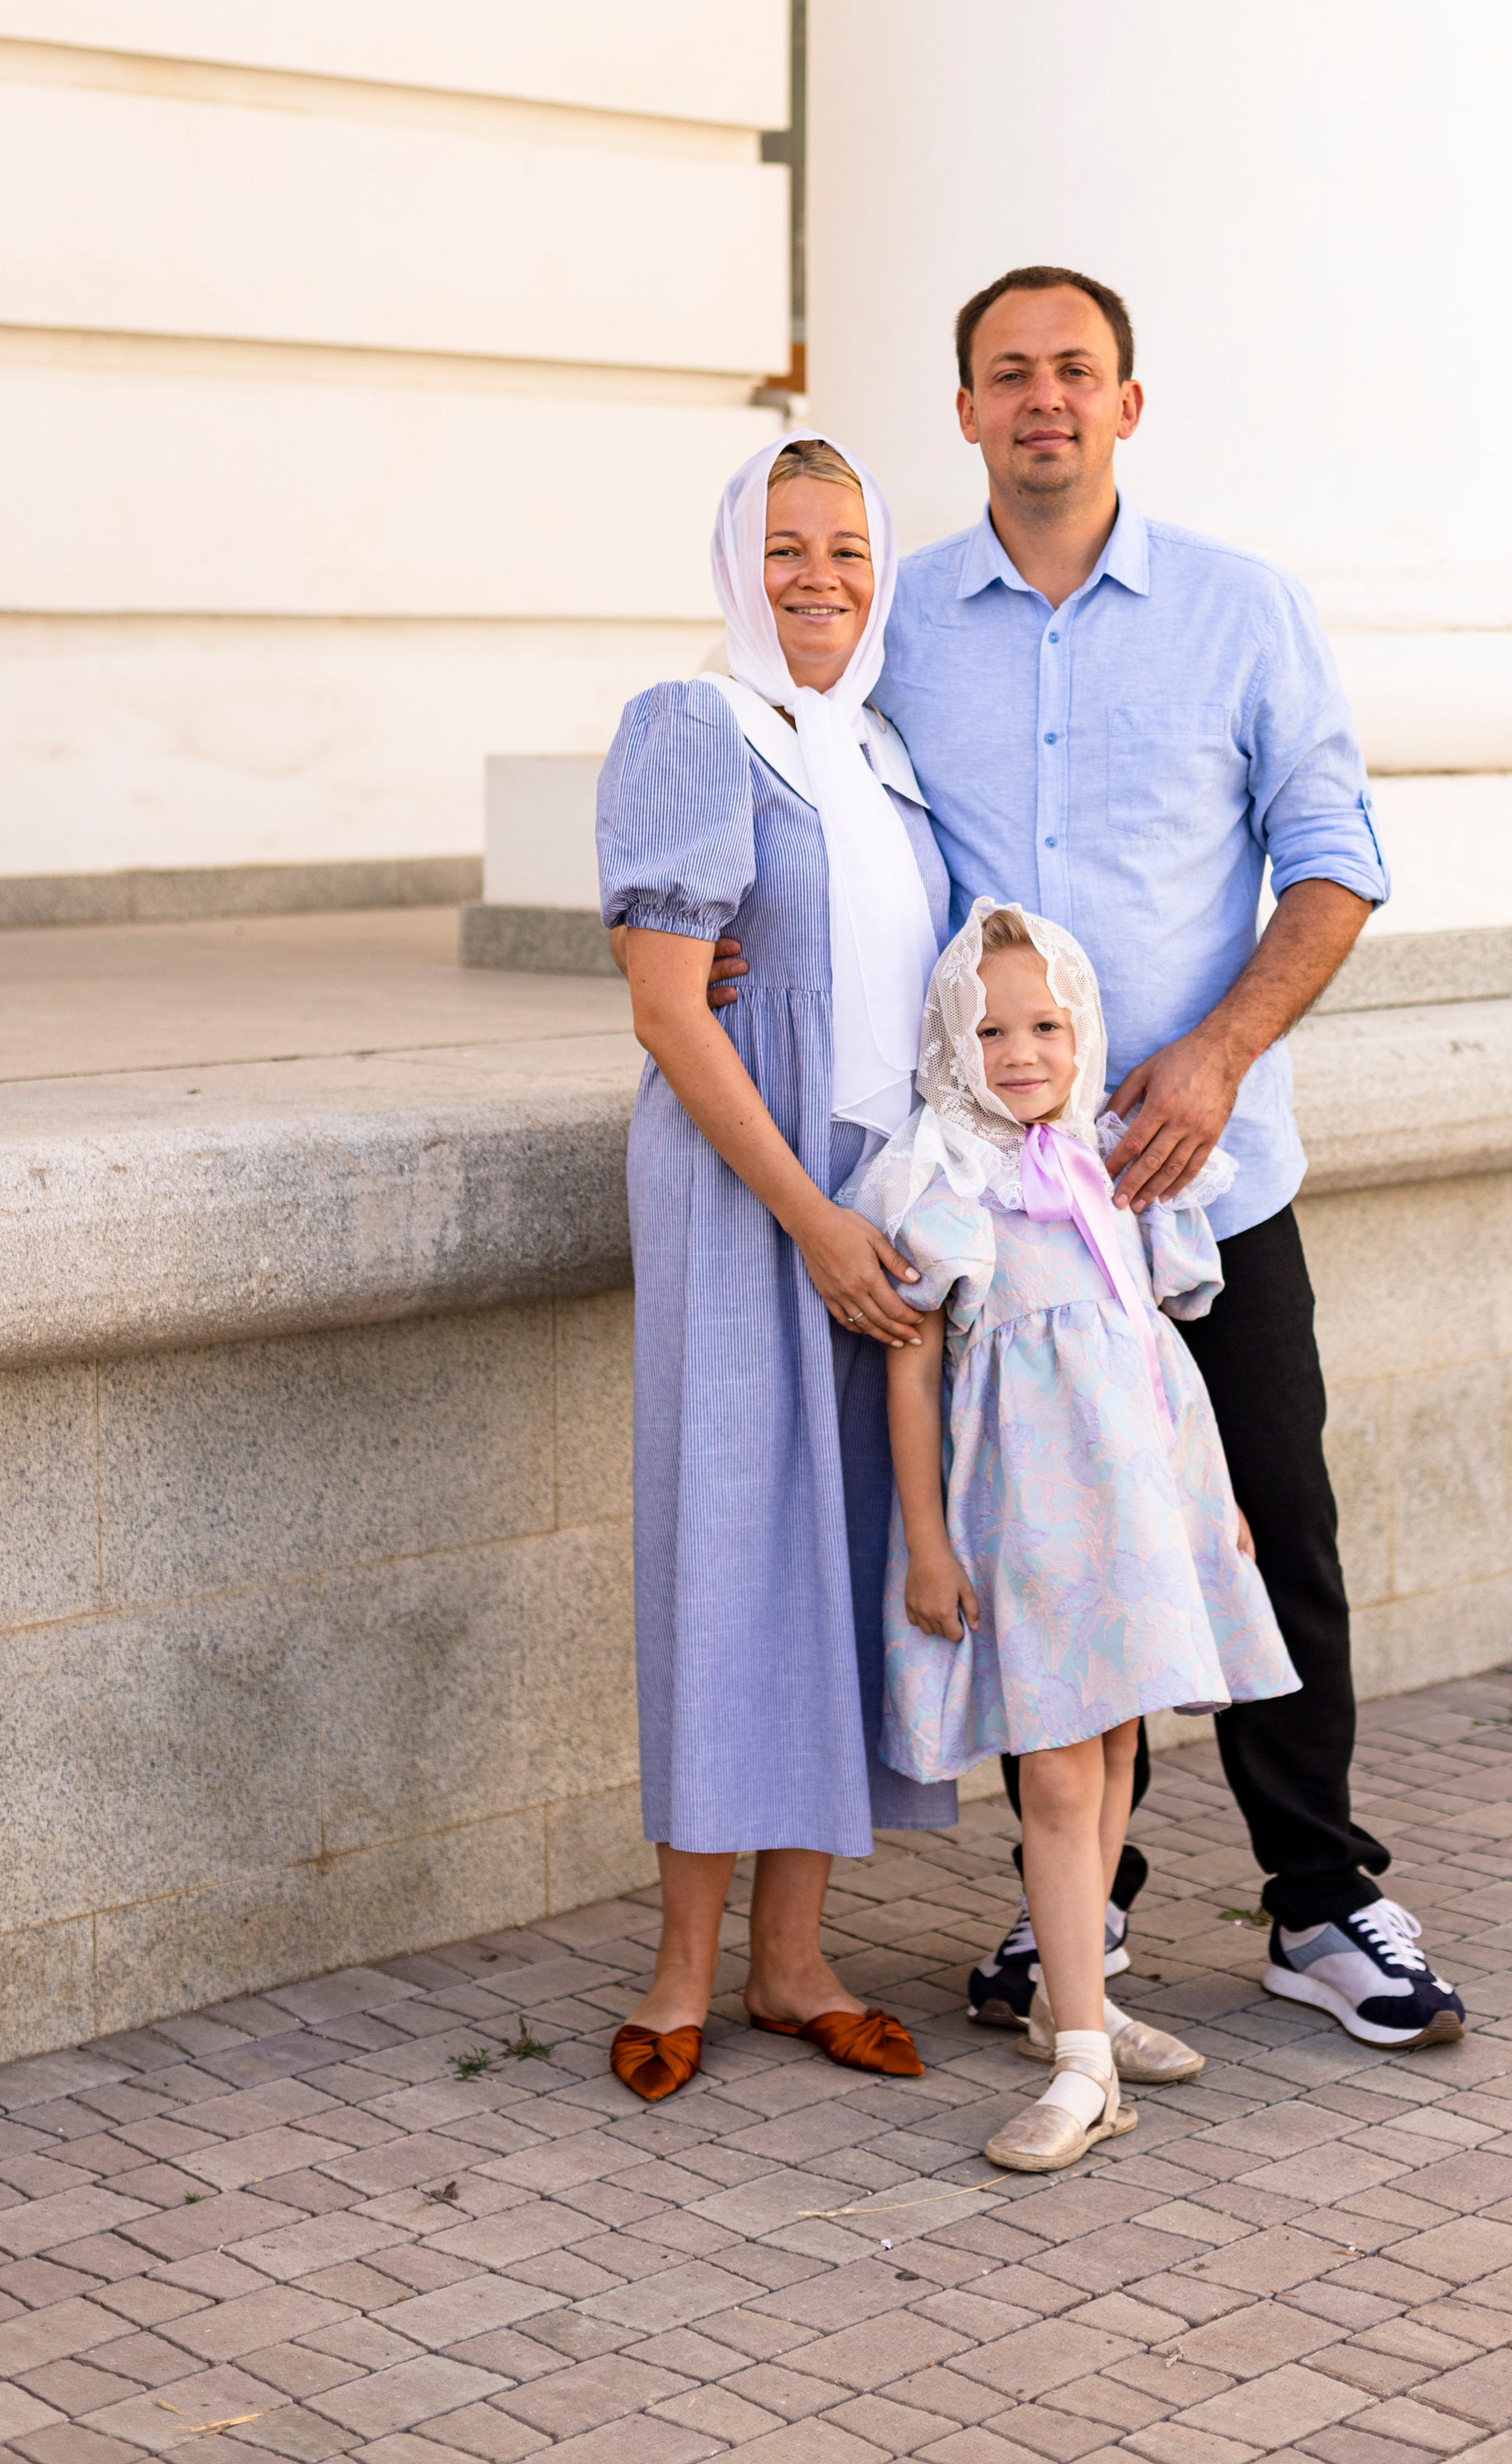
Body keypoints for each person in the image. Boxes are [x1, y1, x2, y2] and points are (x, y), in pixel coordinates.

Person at [830, 262, 1465, 2047]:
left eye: (1076, 370)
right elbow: (831, 822)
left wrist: (1215, 1055)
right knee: (1048, 1559)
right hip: (1008, 1223)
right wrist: (724, 933)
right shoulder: (904, 630)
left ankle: (1322, 1901)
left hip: (1203, 1179)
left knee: (1271, 1540)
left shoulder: (1240, 609)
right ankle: (1075, 1910)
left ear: (1127, 402)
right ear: (961, 410)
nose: (1044, 397)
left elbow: (1333, 861)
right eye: (1007, 373)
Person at [594, 434, 951, 2107]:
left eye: (848, 551)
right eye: (786, 548)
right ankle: (679, 1967)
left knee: (853, 1555)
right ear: (736, 560)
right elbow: (671, 1004)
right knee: (732, 1542)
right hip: (756, 1197)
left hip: (877, 1191)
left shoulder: (879, 748)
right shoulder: (693, 725)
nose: (818, 580)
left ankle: (793, 1965)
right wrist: (809, 1215)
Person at [849, 899, 1296, 2171]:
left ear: (1083, 1030)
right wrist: (929, 1546)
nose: (1022, 1052)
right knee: (1052, 1773)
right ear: (949, 1040)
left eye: (1046, 1024)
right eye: (990, 1030)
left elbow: (1159, 1368)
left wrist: (1214, 1510)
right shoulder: (943, 1182)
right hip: (1022, 1524)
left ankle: (1069, 2003)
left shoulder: (1113, 1172)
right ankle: (1087, 2070)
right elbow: (913, 1372)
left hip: (1134, 1517)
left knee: (1110, 1753)